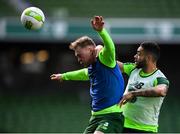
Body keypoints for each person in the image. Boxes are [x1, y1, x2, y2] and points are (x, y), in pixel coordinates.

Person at [50, 16, 125, 134]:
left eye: (79, 55)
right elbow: (81, 74)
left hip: (111, 116)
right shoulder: (92, 69)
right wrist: (63, 76)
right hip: (95, 117)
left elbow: (110, 47)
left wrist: (101, 31)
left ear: (91, 49)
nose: (79, 59)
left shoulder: (105, 59)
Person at [118, 41, 169, 133]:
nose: (135, 56)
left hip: (144, 129)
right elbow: (113, 65)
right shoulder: (133, 69)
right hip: (122, 125)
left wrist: (134, 94)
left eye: (138, 54)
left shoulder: (159, 78)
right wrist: (103, 53)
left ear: (148, 58)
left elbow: (161, 91)